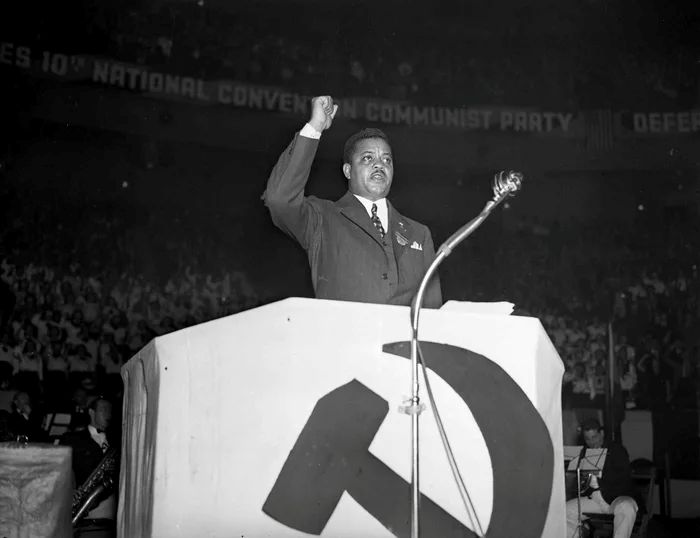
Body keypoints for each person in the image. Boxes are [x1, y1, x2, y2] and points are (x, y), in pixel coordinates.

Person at [263, 95, 442, 308]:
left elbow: (432, 313)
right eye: (368, 158)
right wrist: (315, 127)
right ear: (348, 171)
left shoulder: (419, 234)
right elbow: (279, 199)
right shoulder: (321, 218)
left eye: (387, 159)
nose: (379, 165)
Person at [565, 418, 642, 538]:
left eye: (594, 437)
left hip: (616, 497)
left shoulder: (616, 450)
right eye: (587, 439)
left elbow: (623, 478)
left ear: (602, 433)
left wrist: (599, 476)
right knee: (565, 510)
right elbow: (581, 487)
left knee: (627, 508)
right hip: (595, 499)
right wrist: (580, 478)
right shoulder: (583, 453)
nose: (591, 442)